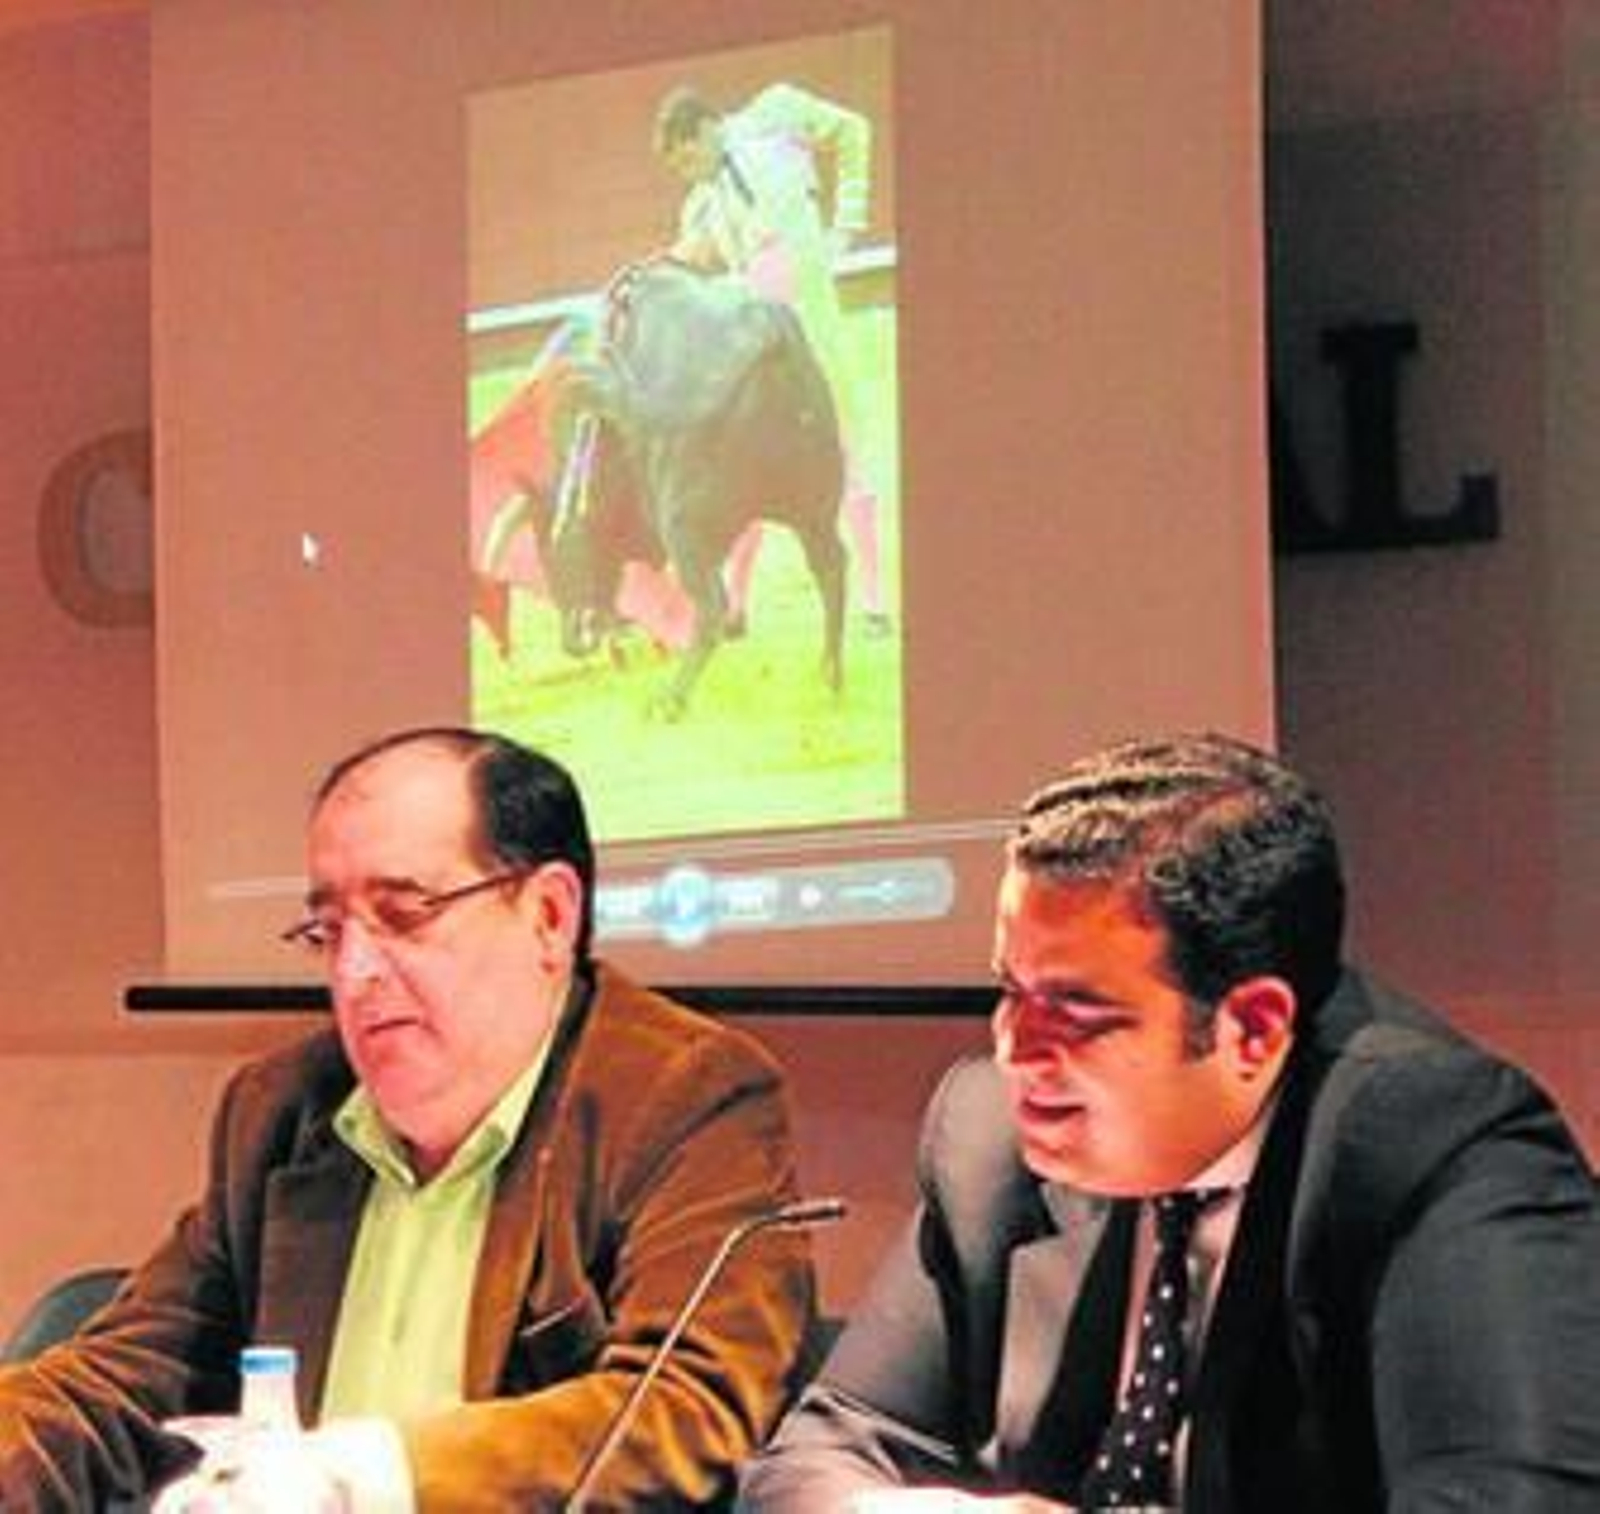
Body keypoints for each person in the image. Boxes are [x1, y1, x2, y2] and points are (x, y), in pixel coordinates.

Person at [740, 733, 1600, 1513]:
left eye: (1077, 1011)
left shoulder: (1438, 1150)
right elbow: (813, 1458)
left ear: (1253, 1029)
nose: (1014, 1051)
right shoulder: (990, 1138)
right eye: (1010, 990)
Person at [0, 727, 815, 1511]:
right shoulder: (282, 1110)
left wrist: (358, 1479)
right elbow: (123, 1377)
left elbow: (688, 1411)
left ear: (550, 917)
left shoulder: (687, 1096)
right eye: (328, 931)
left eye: (404, 915)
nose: (354, 972)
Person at [654, 82, 891, 637]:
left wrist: (847, 227)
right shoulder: (704, 201)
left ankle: (875, 602)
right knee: (749, 463)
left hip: (813, 325)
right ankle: (735, 607)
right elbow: (696, 257)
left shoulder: (777, 112)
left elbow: (855, 130)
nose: (689, 172)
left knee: (845, 449)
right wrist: (654, 271)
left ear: (707, 128)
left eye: (688, 157)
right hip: (762, 347)